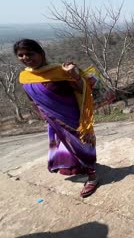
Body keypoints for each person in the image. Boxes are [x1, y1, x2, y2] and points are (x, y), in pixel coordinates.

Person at [15, 39, 98, 198]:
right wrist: (43, 116)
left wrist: (73, 75)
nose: (25, 57)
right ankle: (79, 167)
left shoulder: (60, 71)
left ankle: (92, 177)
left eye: (30, 53)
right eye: (21, 55)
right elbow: (33, 101)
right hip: (52, 119)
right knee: (65, 146)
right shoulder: (25, 77)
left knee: (84, 146)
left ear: (41, 53)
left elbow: (85, 90)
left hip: (73, 117)